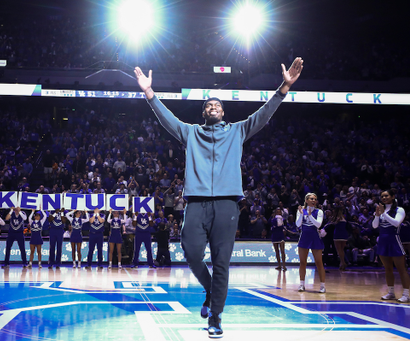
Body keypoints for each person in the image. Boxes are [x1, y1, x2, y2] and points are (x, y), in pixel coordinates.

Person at [134, 57, 303, 338]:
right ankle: (211, 290)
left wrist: (283, 88)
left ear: (223, 112)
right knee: (190, 252)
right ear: (204, 113)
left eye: (217, 106)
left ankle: (216, 317)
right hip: (197, 204)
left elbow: (262, 115)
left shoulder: (237, 131)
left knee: (221, 262)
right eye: (208, 106)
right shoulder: (191, 133)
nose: (213, 108)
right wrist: (150, 94)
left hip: (227, 205)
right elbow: (168, 120)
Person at [373, 189, 410, 302]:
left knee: (401, 269)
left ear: (393, 196)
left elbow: (396, 223)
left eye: (386, 196)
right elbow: (375, 226)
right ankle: (391, 292)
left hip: (394, 240)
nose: (384, 198)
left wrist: (383, 213)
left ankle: (406, 294)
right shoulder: (381, 210)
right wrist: (377, 215)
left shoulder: (400, 209)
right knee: (387, 269)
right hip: (383, 241)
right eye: (382, 196)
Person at [296, 193, 326, 293]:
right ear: (306, 200)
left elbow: (318, 225)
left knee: (319, 262)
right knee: (303, 262)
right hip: (304, 237)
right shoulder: (301, 210)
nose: (314, 200)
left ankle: (322, 286)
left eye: (315, 199)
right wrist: (301, 214)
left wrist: (310, 216)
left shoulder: (319, 211)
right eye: (311, 199)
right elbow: (298, 224)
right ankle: (301, 284)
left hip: (315, 237)